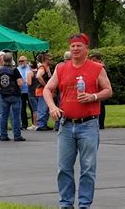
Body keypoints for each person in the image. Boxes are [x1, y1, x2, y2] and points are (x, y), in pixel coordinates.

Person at [43, 33, 112, 209]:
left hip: (88, 125)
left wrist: (93, 96)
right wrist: (52, 107)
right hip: (66, 125)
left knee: (88, 168)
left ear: (86, 49)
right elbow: (47, 89)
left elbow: (108, 90)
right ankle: (66, 204)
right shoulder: (61, 68)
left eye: (79, 46)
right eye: (72, 46)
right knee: (64, 168)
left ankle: (84, 205)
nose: (75, 49)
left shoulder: (97, 68)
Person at [0, 53, 26, 142]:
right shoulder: (14, 70)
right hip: (14, 95)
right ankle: (17, 135)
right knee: (16, 116)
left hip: (4, 95)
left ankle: (3, 135)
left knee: (3, 116)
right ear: (11, 60)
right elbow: (20, 83)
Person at [35, 53, 53, 131]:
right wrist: (45, 85)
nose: (51, 61)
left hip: (46, 91)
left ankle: (44, 123)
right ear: (46, 60)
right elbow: (38, 76)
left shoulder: (47, 67)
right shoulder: (42, 68)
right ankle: (41, 124)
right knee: (42, 107)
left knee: (46, 108)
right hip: (42, 91)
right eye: (50, 59)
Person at [89, 52, 106, 130]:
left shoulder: (101, 68)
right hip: (94, 90)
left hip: (100, 90)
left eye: (94, 60)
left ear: (99, 60)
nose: (92, 62)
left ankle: (101, 123)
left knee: (101, 107)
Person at [17, 56, 32, 130]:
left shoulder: (30, 68)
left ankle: (34, 123)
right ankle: (24, 125)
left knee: (32, 107)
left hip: (29, 91)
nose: (21, 62)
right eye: (20, 61)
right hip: (21, 91)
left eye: (22, 61)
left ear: (26, 61)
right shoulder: (17, 69)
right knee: (22, 109)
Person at [26, 61, 39, 130]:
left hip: (31, 92)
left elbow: (29, 83)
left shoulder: (30, 73)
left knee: (34, 109)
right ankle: (39, 123)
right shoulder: (38, 72)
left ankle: (35, 124)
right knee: (38, 108)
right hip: (37, 92)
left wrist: (26, 81)